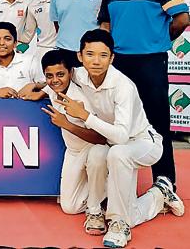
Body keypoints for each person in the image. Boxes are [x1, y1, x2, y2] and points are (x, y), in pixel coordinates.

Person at [59, 30, 184, 248]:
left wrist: (85, 116)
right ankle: (106, 209)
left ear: (112, 58)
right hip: (114, 143)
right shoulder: (79, 75)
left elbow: (121, 136)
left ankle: (118, 223)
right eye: (90, 54)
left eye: (103, 55)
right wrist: (37, 88)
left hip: (144, 143)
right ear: (80, 57)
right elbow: (57, 78)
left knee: (117, 153)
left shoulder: (123, 86)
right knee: (98, 153)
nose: (96, 61)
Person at [98, 0, 189, 191]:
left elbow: (182, 19)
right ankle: (116, 180)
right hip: (119, 63)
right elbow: (105, 25)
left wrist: (157, 40)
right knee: (118, 123)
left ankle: (164, 181)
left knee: (157, 122)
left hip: (151, 61)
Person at [40, 50, 109, 235]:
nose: (55, 80)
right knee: (69, 207)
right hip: (74, 152)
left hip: (94, 149)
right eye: (49, 76)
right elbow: (43, 87)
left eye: (60, 74)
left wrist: (67, 124)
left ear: (70, 73)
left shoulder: (80, 98)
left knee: (99, 154)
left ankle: (104, 201)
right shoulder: (52, 88)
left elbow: (101, 137)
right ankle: (107, 192)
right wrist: (36, 89)